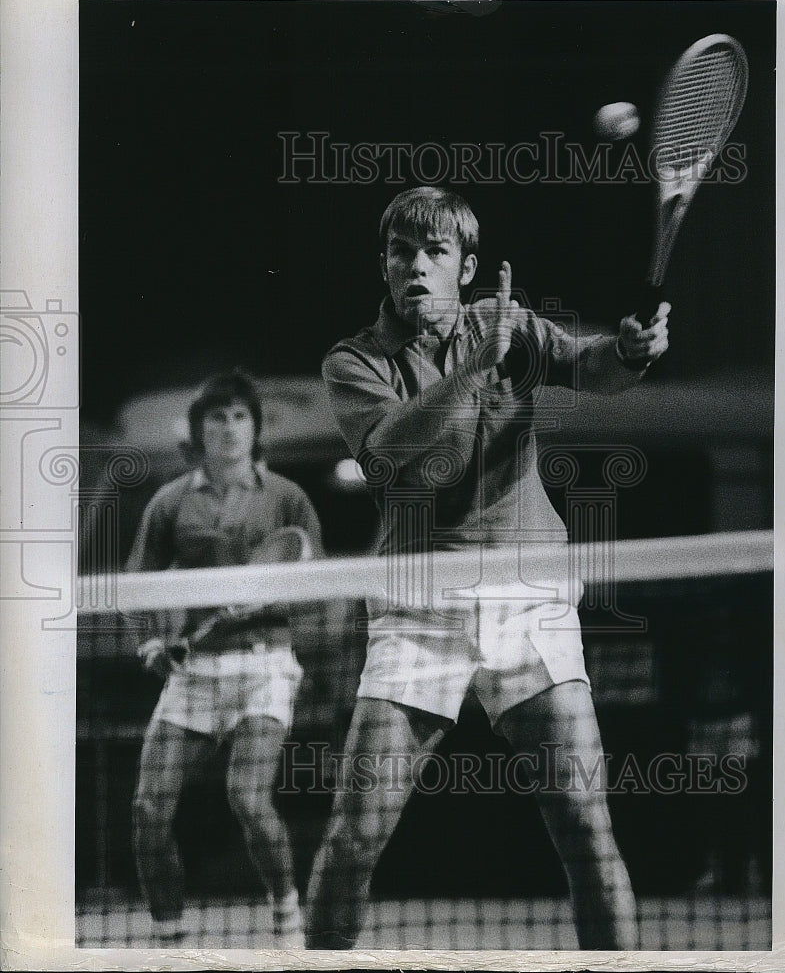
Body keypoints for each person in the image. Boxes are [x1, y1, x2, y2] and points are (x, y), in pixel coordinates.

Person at [305, 186, 670, 950]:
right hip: (419, 607)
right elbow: (396, 447)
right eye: (401, 251)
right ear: (383, 263)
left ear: (466, 267)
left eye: (434, 252)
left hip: (527, 598)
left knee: (584, 827)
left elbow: (589, 364)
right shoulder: (353, 361)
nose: (415, 266)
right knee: (350, 840)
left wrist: (629, 352)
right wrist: (474, 368)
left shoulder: (512, 327)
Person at [128, 370, 323, 947]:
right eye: (218, 417)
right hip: (196, 672)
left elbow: (316, 577)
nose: (230, 428)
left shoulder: (287, 496)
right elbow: (137, 582)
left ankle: (287, 913)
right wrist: (151, 642)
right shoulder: (170, 502)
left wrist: (269, 595)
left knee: (247, 796)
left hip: (265, 667)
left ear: (256, 429)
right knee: (147, 811)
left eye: (241, 416)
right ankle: (172, 940)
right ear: (199, 431)